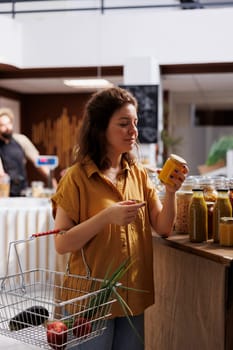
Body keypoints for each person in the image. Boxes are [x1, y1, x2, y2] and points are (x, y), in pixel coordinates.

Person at [51, 86, 189, 350]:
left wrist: (171, 192)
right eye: (124, 124)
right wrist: (106, 217)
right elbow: (61, 243)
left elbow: (163, 227)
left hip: (131, 296)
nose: (133, 131)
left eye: (135, 123)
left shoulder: (138, 173)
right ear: (101, 128)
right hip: (89, 301)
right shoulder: (76, 177)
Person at [0, 107, 52, 196]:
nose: (7, 127)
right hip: (4, 193)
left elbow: (37, 160)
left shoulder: (21, 140)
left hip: (22, 190)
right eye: (3, 125)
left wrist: (51, 177)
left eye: (9, 123)